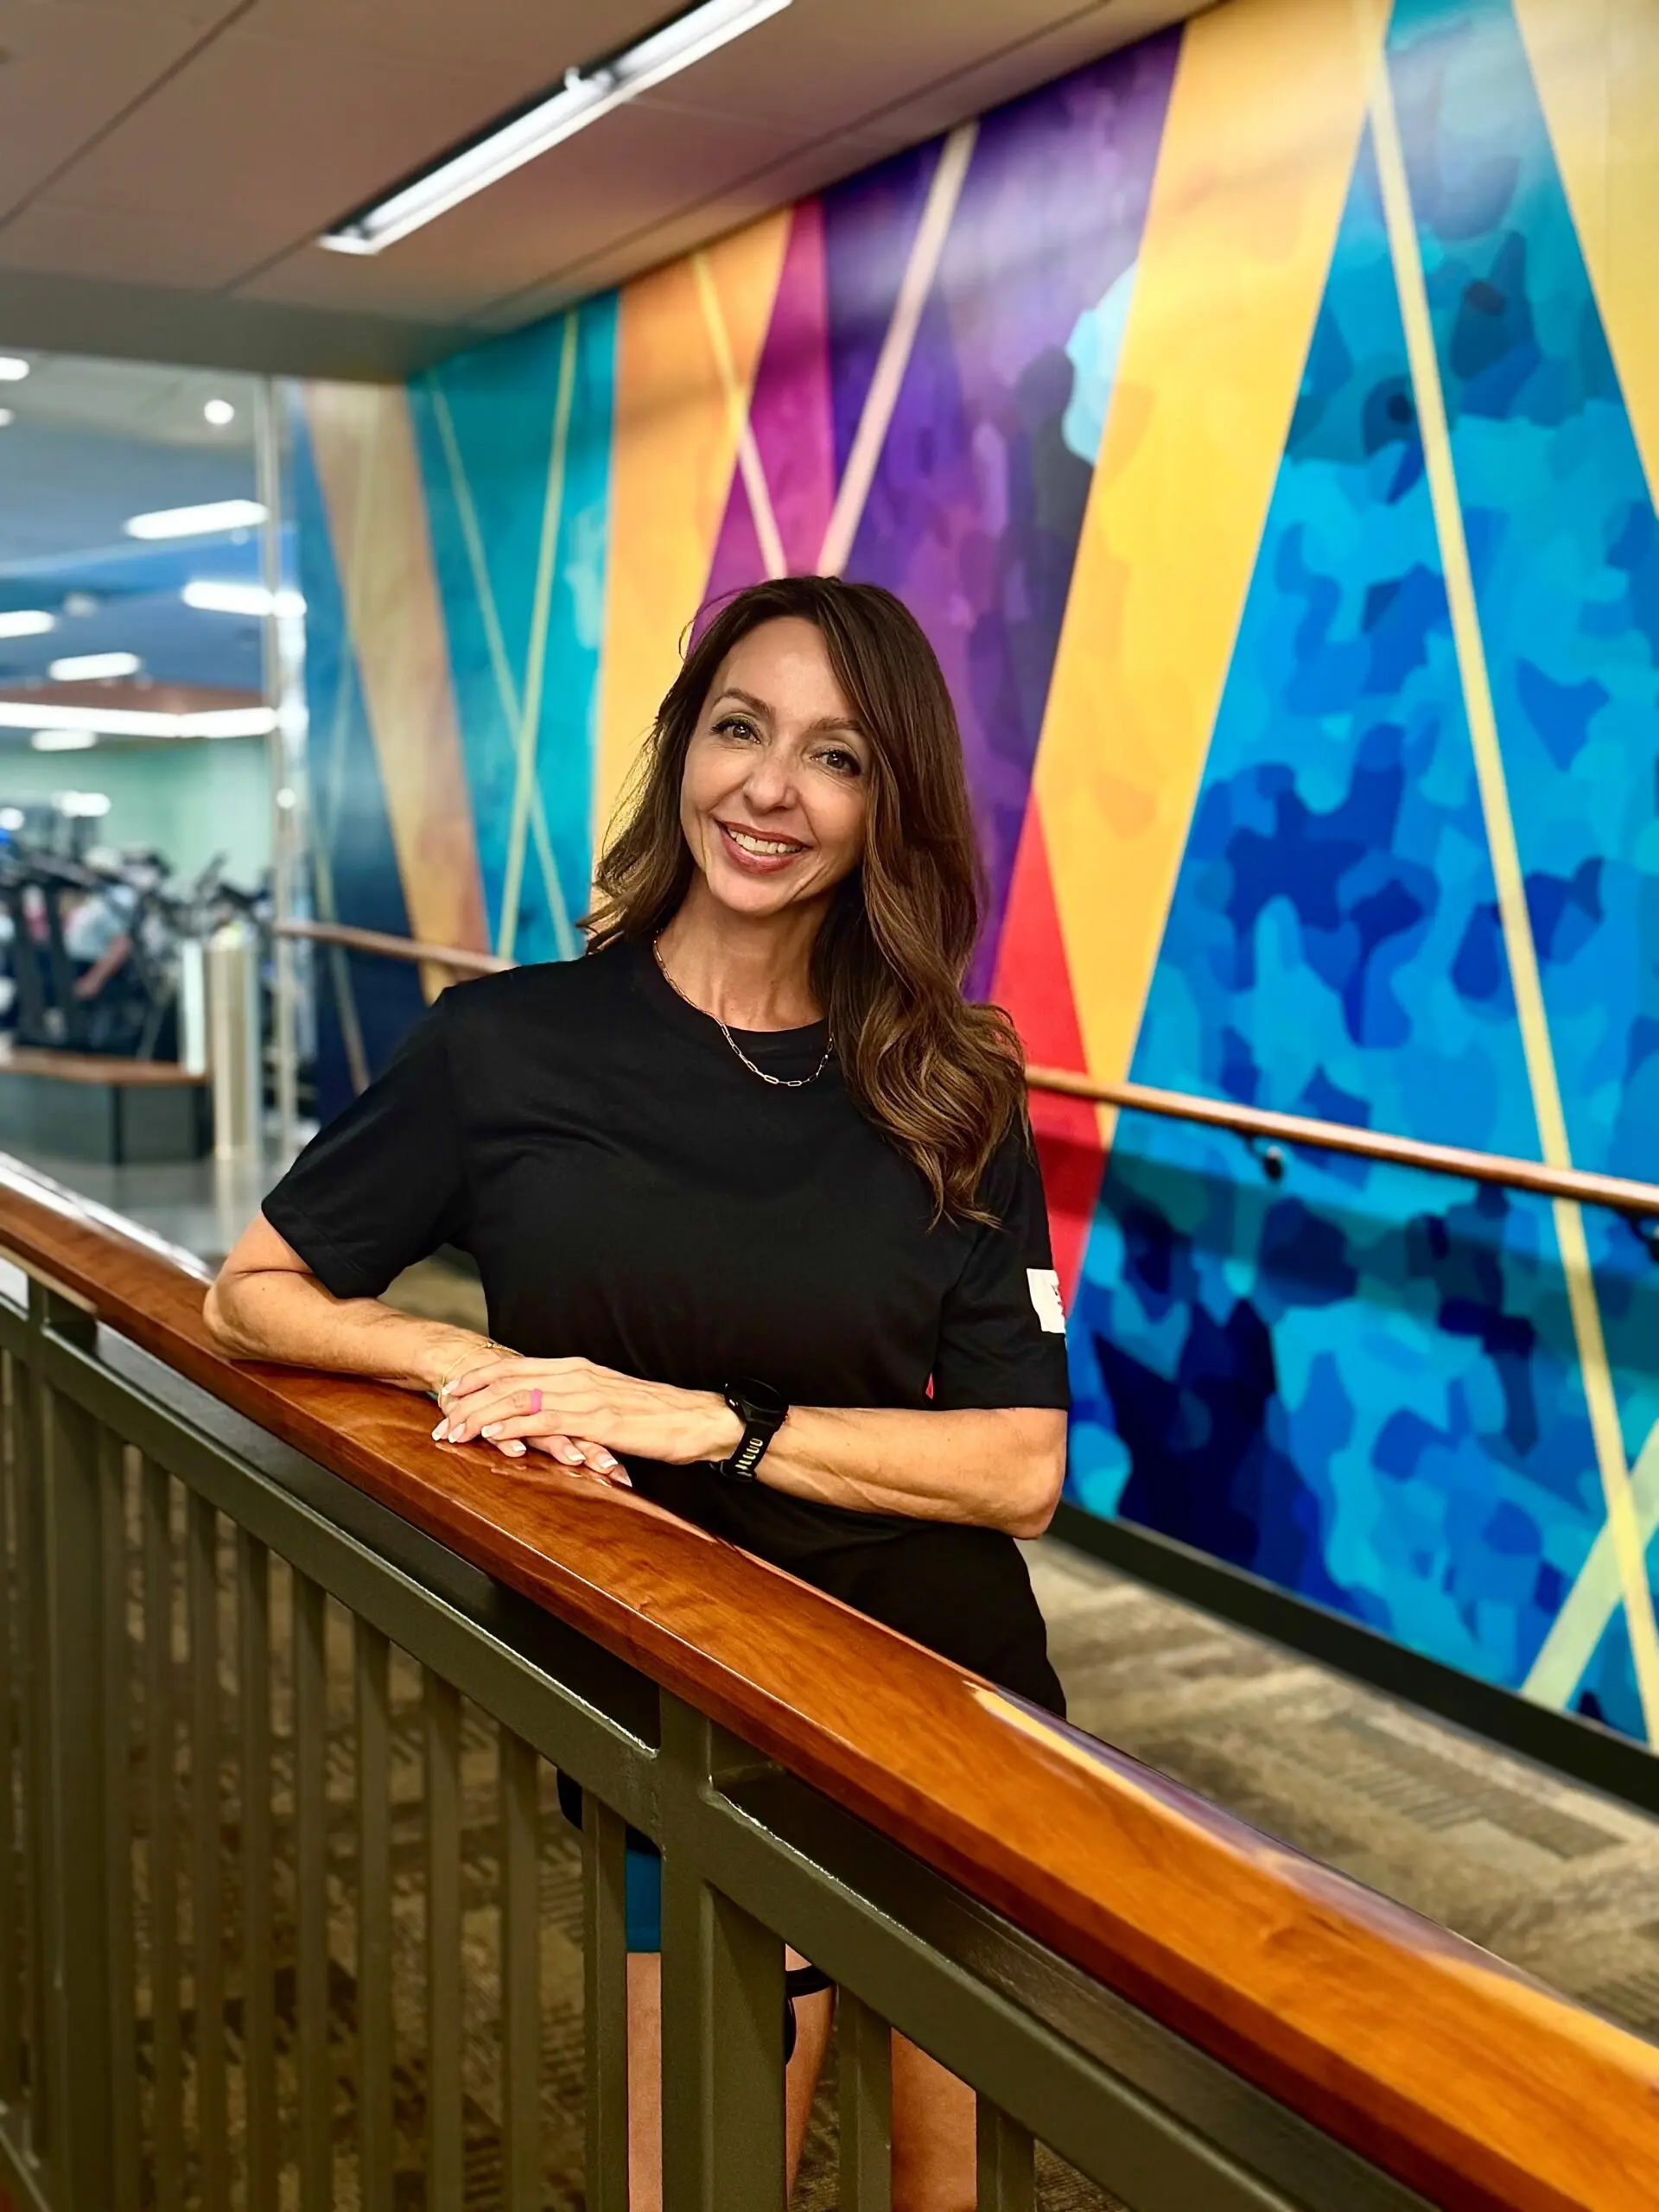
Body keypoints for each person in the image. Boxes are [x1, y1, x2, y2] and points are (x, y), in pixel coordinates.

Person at [206, 575, 1071, 2211]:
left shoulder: (951, 1082)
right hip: (672, 1679)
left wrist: (716, 1422)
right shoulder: (505, 1048)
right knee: (703, 2166)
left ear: (887, 805)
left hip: (939, 1683)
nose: (771, 789)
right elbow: (249, 1291)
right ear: (685, 748)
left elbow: (1019, 1468)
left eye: (836, 757)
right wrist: (456, 1357)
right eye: (741, 729)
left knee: (951, 2172)